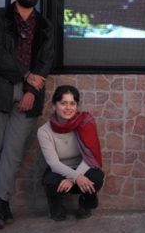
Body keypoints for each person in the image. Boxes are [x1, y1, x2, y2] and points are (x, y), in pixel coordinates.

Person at [0, 0, 55, 229]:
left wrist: (31, 92)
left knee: (12, 151)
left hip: (28, 96)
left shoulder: (46, 26)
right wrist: (24, 75)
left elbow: (45, 63)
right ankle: (2, 204)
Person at [37, 85, 105, 221]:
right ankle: (57, 207)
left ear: (76, 106)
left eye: (72, 103)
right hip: (60, 170)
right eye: (63, 103)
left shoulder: (85, 123)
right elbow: (54, 164)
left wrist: (73, 178)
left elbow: (90, 157)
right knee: (50, 180)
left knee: (96, 176)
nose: (68, 108)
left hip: (82, 168)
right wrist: (75, 177)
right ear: (54, 106)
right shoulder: (44, 131)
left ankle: (87, 203)